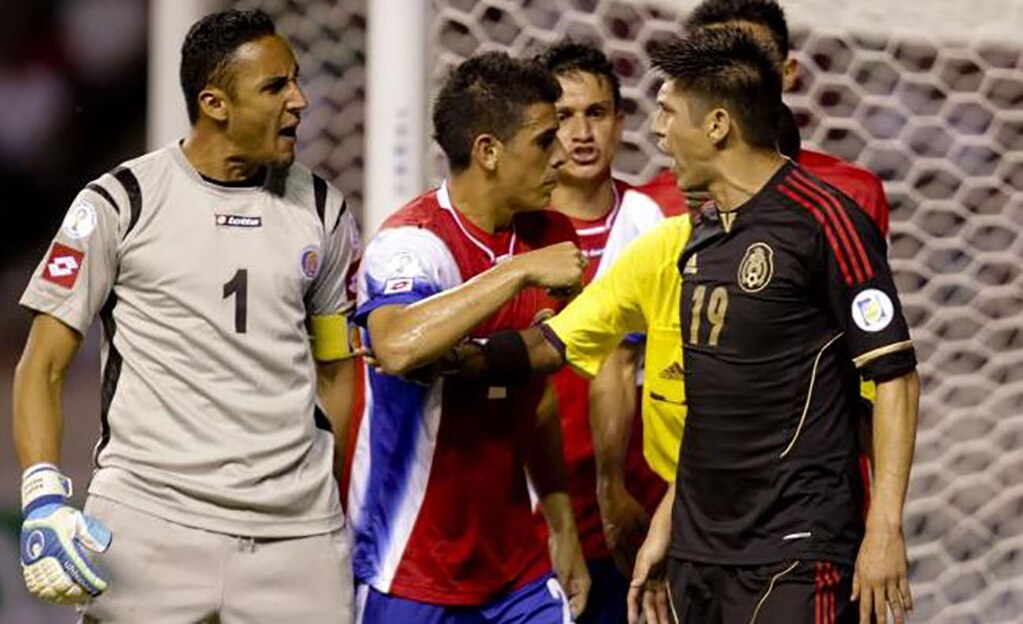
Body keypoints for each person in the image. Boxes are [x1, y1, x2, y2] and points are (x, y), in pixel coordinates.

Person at [453, 26, 920, 624]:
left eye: (669, 112)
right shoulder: (699, 237)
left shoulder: (826, 222)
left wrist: (884, 529)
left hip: (795, 552)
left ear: (718, 124)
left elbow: (895, 379)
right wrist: (667, 528)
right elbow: (709, 409)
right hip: (699, 553)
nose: (656, 130)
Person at [13, 9, 361, 622]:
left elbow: (336, 365)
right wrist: (43, 496)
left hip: (297, 542)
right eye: (275, 87)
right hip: (149, 527)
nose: (299, 101)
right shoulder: (119, 203)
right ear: (215, 103)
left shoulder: (325, 211)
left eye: (296, 81)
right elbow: (41, 363)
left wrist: (309, 487)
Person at [347, 51, 591, 623]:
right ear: (488, 150)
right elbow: (399, 346)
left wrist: (563, 525)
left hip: (516, 568)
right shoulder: (412, 243)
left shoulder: (548, 233)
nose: (560, 156)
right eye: (543, 141)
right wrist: (514, 274)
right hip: (409, 566)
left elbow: (541, 382)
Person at [534, 40, 672, 624]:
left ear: (620, 121)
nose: (581, 133)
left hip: (637, 504)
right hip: (537, 510)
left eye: (595, 113)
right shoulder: (519, 234)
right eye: (563, 117)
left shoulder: (652, 224)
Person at [646, 0, 892, 237]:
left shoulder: (853, 192)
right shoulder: (650, 205)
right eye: (711, 66)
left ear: (788, 72)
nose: (730, 78)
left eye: (753, 62)